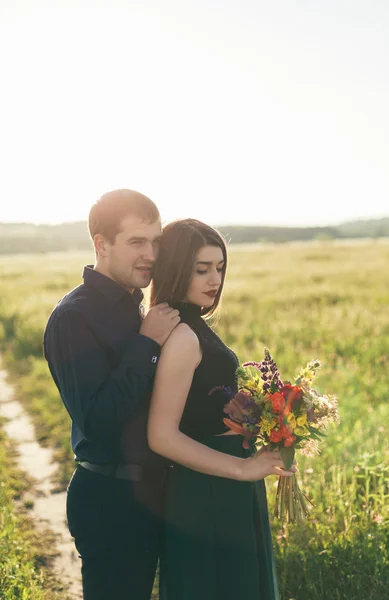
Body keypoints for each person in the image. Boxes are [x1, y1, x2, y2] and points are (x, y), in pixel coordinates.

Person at [147, 218, 296, 600]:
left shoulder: (194, 325)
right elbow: (161, 436)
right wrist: (243, 468)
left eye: (219, 267)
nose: (214, 279)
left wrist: (264, 421)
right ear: (177, 269)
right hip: (207, 488)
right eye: (201, 269)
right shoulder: (182, 336)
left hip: (226, 483)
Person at [43, 189, 181, 599]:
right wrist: (147, 344)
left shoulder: (137, 307)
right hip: (110, 501)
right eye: (137, 242)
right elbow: (100, 420)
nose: (152, 255)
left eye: (157, 242)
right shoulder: (74, 317)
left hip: (155, 494)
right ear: (102, 245)